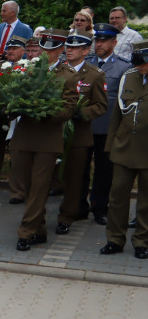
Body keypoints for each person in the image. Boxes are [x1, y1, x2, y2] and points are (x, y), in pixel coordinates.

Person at [11, 29, 79, 251]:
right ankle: (39, 229)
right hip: (24, 136)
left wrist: (43, 110)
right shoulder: (28, 69)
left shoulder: (68, 75)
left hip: (48, 139)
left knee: (40, 188)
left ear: (61, 50)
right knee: (28, 187)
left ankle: (25, 232)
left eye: (51, 49)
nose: (45, 53)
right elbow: (12, 95)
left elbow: (69, 110)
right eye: (44, 48)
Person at [56, 33, 107, 234]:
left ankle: (66, 217)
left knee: (74, 179)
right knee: (53, 178)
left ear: (86, 51)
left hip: (78, 135)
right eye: (68, 46)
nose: (69, 50)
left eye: (75, 47)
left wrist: (81, 113)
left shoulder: (95, 75)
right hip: (54, 131)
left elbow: (101, 106)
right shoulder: (57, 71)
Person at [100, 44, 148, 259]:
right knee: (118, 195)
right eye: (137, 63)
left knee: (146, 200)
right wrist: (111, 145)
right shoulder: (129, 76)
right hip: (124, 146)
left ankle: (142, 241)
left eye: (143, 63)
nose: (140, 67)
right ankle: (115, 239)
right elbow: (117, 115)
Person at [85, 23, 130, 225]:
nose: (99, 44)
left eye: (104, 41)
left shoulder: (124, 67)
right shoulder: (85, 63)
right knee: (79, 168)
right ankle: (77, 206)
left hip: (107, 127)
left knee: (104, 171)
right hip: (83, 125)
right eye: (97, 40)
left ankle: (99, 208)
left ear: (114, 42)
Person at [0, 36, 29, 183]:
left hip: (18, 112)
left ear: (23, 50)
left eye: (15, 49)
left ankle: (15, 177)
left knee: (16, 146)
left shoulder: (28, 66)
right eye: (9, 48)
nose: (11, 51)